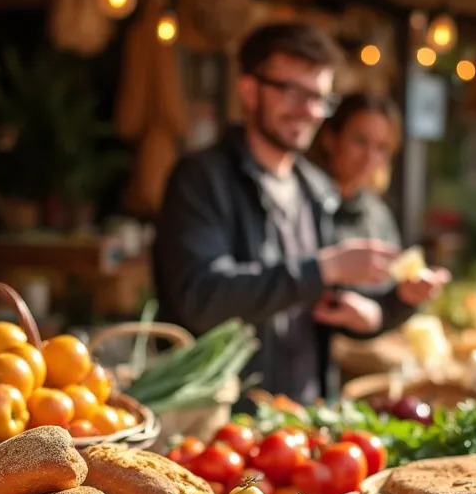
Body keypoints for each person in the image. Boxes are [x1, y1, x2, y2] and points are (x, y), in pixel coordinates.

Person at [153, 23, 444, 405]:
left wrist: (389, 307)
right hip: (221, 422)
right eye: (293, 92)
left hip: (302, 419)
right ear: (249, 90)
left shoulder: (316, 189)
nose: (308, 111)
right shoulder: (201, 179)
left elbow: (326, 306)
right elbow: (200, 298)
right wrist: (323, 269)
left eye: (319, 97)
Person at [308, 92, 450, 286]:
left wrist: (405, 298)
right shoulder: (303, 204)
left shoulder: (377, 214)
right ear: (330, 138)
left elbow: (388, 289)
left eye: (382, 147)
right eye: (360, 141)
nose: (370, 157)